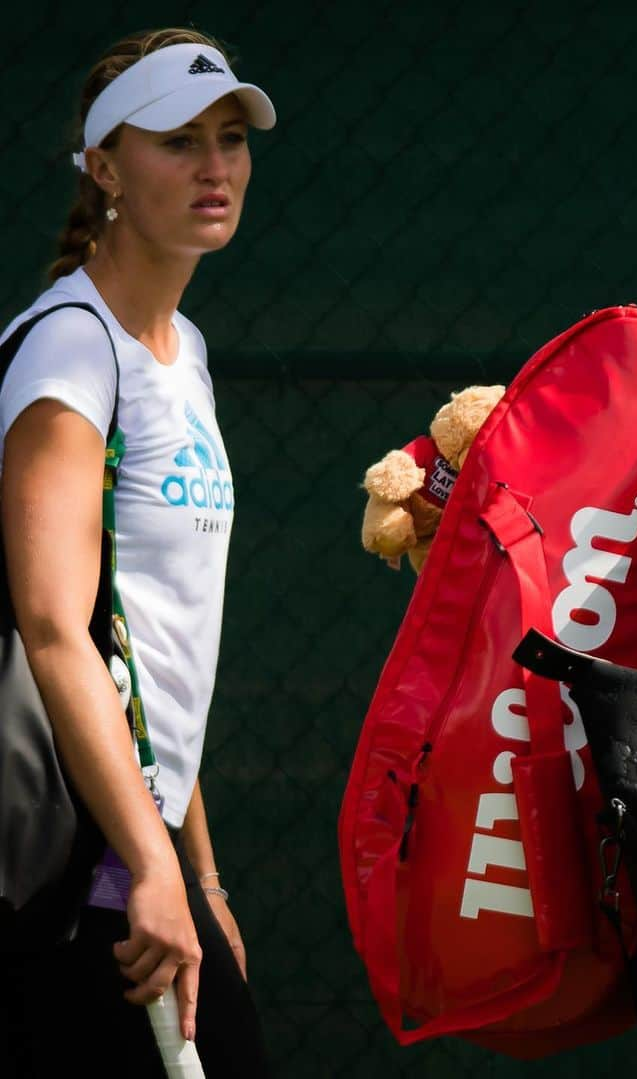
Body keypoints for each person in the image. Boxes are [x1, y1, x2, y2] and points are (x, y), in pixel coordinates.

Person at [0, 28, 275, 1076]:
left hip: (144, 863)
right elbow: (55, 623)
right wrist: (152, 863)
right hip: (72, 880)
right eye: (178, 141)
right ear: (105, 168)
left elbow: (147, 640)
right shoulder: (73, 349)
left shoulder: (181, 351)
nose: (216, 166)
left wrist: (198, 872)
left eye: (229, 137)